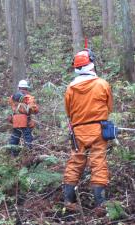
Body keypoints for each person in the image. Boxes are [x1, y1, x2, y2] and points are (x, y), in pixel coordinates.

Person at [63, 49, 113, 213]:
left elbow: (68, 111)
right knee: (98, 163)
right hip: (98, 129)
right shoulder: (102, 84)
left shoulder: (70, 88)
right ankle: (100, 204)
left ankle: (68, 201)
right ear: (91, 64)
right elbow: (109, 107)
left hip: (78, 131)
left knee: (75, 163)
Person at [8, 80, 39, 156]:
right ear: (26, 88)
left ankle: (13, 154)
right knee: (27, 137)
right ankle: (28, 153)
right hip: (25, 120)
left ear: (19, 87)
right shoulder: (28, 98)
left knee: (15, 136)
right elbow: (34, 109)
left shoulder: (12, 97)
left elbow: (11, 105)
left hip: (15, 120)